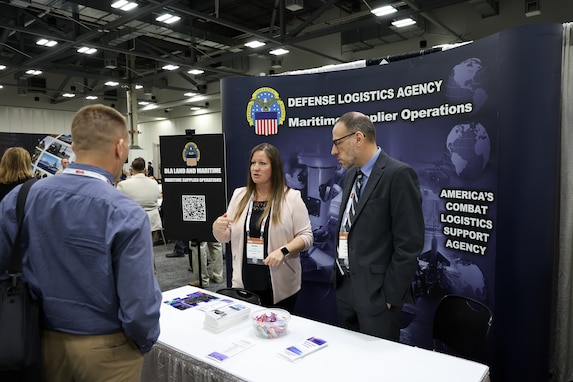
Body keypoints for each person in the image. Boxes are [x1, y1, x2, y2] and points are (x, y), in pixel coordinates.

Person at [0, 104, 162, 381]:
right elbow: (139, 303)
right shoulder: (124, 212)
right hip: (107, 349)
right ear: (120, 147)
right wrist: (142, 342)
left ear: (73, 145)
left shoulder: (18, 199)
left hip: (33, 341)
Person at [330, 111, 424, 341]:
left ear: (358, 138)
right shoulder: (351, 175)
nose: (333, 151)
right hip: (346, 288)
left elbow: (409, 244)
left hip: (378, 297)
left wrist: (391, 296)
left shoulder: (398, 175)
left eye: (337, 143)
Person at [213, 143, 313, 313]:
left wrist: (284, 251)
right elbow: (226, 236)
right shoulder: (239, 195)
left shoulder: (291, 198)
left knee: (275, 333)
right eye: (253, 163)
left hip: (280, 286)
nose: (256, 168)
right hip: (244, 282)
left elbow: (307, 236)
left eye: (262, 163)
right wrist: (217, 228)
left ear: (275, 168)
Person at [117, 157, 163, 243]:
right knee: (149, 250)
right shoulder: (154, 182)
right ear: (145, 170)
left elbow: (117, 204)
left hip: (132, 222)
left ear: (131, 170)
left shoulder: (123, 185)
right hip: (152, 222)